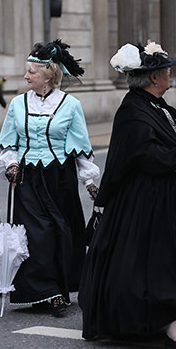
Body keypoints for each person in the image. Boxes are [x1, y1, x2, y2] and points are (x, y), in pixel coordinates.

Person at [80, 41, 176, 345]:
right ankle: (157, 319)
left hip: (164, 199)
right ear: (153, 77)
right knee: (149, 263)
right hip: (144, 202)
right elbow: (150, 157)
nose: (169, 74)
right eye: (165, 70)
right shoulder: (132, 111)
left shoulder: (157, 106)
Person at [0, 39, 99, 317]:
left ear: (48, 76)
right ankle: (46, 292)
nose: (26, 76)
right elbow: (7, 143)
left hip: (59, 178)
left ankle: (57, 289)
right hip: (28, 177)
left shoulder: (70, 105)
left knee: (61, 233)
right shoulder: (17, 104)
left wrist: (89, 181)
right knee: (37, 235)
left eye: (32, 72)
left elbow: (80, 146)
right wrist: (11, 164)